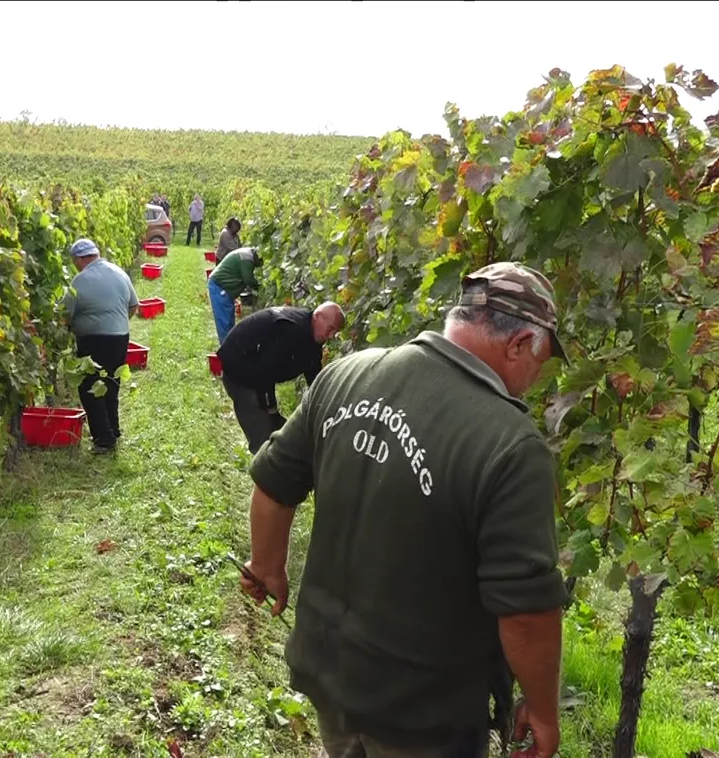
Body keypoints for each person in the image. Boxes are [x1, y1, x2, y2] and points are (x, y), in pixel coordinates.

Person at [240, 261, 569, 758]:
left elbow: (272, 484)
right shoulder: (510, 445)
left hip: (329, 675)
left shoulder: (344, 376)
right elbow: (525, 612)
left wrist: (267, 567)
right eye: (540, 363)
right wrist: (543, 710)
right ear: (519, 343)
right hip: (421, 712)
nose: (535, 380)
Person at [217, 302, 345, 453]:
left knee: (279, 430)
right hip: (241, 371)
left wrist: (329, 407)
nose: (330, 336)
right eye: (330, 329)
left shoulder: (311, 332)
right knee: (262, 435)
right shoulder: (290, 330)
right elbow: (265, 371)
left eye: (334, 332)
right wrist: (270, 407)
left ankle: (279, 466)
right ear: (318, 316)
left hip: (257, 371)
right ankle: (262, 470)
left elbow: (314, 374)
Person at [61, 238, 139, 454]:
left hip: (93, 340)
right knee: (111, 384)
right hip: (121, 336)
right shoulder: (119, 272)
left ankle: (104, 440)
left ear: (79, 259)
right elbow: (134, 305)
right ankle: (113, 429)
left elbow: (64, 315)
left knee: (89, 388)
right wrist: (117, 324)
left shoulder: (80, 280)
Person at [207, 246, 262, 344]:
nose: (260, 265)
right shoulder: (246, 259)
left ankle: (230, 345)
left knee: (229, 319)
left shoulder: (248, 254)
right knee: (224, 320)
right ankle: (225, 348)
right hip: (219, 286)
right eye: (260, 262)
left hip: (224, 288)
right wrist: (260, 287)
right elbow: (248, 279)